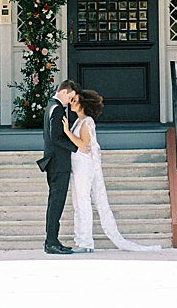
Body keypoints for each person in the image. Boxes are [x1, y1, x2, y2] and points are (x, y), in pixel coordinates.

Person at [63, 88, 163, 252]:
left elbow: (84, 146)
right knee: (78, 204)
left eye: (75, 100)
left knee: (83, 203)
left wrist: (66, 132)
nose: (72, 102)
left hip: (84, 167)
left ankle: (86, 242)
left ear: (83, 104)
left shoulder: (87, 122)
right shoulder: (78, 121)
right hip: (77, 167)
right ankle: (79, 240)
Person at [37, 79, 79, 255]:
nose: (71, 101)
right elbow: (55, 137)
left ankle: (53, 240)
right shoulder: (57, 109)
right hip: (57, 163)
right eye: (71, 97)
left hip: (54, 162)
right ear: (64, 92)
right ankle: (51, 242)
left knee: (55, 203)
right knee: (56, 204)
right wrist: (76, 147)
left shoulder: (51, 106)